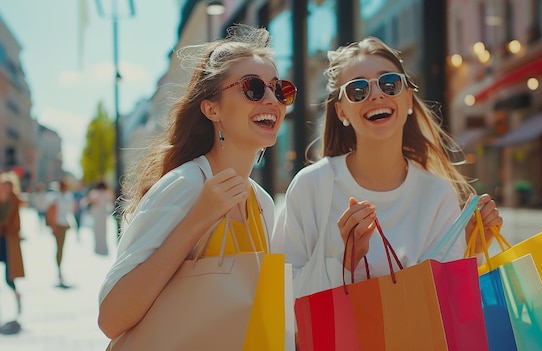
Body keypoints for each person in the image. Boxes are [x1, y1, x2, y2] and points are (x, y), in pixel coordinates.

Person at [97, 24, 296, 342]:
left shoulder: (262, 204)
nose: (272, 100)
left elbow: (265, 321)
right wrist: (197, 220)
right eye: (253, 89)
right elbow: (111, 318)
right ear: (211, 108)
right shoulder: (185, 185)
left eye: (280, 89)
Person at [273, 37, 503, 300]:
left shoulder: (437, 194)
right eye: (358, 90)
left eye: (389, 83)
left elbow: (450, 303)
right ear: (341, 112)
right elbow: (281, 294)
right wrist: (344, 264)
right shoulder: (311, 186)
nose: (377, 94)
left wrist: (468, 248)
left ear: (408, 100)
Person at [0, 172, 25, 335]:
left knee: (9, 276)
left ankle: (17, 299)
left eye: (8, 185)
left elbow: (15, 223)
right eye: (3, 185)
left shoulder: (15, 200)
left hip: (8, 241)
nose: (5, 188)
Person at [47, 179, 76, 288]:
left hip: (64, 224)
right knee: (59, 248)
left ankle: (59, 266)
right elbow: (51, 213)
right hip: (58, 225)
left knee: (61, 248)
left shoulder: (67, 197)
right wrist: (53, 226)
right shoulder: (56, 197)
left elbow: (71, 209)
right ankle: (58, 267)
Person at [87, 181, 114, 255]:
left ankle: (99, 248)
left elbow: (91, 199)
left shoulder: (95, 192)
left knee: (97, 231)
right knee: (103, 231)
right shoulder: (106, 193)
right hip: (102, 214)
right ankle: (102, 248)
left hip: (98, 214)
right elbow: (111, 199)